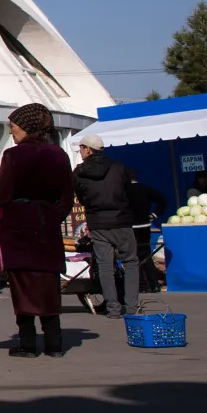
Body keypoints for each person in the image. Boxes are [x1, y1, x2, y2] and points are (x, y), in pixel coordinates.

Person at [0, 103, 75, 358]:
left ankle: (28, 345)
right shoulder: (59, 155)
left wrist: (4, 221)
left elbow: (3, 195)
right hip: (47, 228)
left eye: (13, 126)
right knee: (49, 285)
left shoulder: (13, 156)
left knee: (22, 287)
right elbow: (66, 197)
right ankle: (54, 344)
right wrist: (51, 216)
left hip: (18, 230)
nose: (11, 132)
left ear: (26, 126)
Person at [71, 132, 140, 317]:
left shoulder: (78, 171)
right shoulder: (118, 167)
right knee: (131, 262)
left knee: (105, 266)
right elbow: (129, 192)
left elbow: (81, 196)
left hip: (97, 223)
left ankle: (113, 309)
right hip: (121, 221)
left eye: (81, 148)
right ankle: (132, 307)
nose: (80, 152)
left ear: (88, 149)